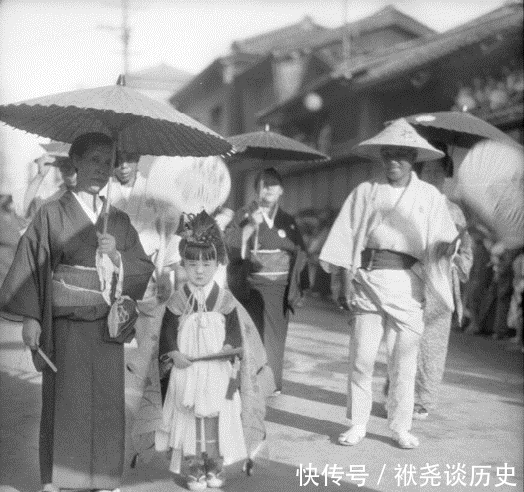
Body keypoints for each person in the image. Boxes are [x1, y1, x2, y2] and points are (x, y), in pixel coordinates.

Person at [0, 132, 155, 492]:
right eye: (93, 160)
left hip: (106, 326)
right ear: (76, 164)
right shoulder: (52, 214)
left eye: (107, 161)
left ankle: (102, 477)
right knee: (66, 403)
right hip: (65, 326)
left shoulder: (118, 221)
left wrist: (116, 255)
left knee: (105, 402)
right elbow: (32, 264)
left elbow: (142, 267)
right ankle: (60, 477)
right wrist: (30, 318)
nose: (101, 169)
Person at [319, 118, 458, 449]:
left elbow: (442, 244)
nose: (393, 162)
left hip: (408, 285)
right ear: (381, 157)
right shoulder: (366, 192)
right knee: (362, 358)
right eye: (388, 155)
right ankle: (357, 423)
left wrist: (448, 247)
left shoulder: (430, 197)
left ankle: (400, 425)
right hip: (368, 279)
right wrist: (347, 279)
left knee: (403, 364)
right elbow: (344, 238)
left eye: (401, 155)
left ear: (413, 158)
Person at [155, 211, 270, 490]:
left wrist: (230, 349)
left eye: (207, 264)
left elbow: (234, 329)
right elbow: (167, 330)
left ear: (217, 263)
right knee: (190, 415)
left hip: (218, 367)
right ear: (183, 264)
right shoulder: (178, 299)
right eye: (192, 264)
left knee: (218, 413)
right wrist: (173, 352)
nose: (199, 270)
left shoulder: (225, 299)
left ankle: (215, 466)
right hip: (187, 369)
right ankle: (194, 468)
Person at [224, 167, 308, 394]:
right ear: (256, 189)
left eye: (274, 184)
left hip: (280, 288)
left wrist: (299, 285)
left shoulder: (287, 221)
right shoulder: (244, 214)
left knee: (276, 338)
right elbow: (230, 245)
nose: (268, 188)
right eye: (264, 183)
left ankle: (272, 384)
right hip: (251, 286)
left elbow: (300, 253)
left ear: (281, 190)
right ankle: (251, 383)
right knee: (252, 335)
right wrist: (250, 226)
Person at [411, 144, 473, 419]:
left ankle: (423, 400)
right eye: (429, 170)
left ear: (446, 174)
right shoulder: (409, 203)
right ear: (420, 171)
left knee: (432, 347)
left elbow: (466, 250)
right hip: (410, 278)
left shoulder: (454, 210)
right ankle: (399, 394)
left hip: (440, 285)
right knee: (404, 342)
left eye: (440, 171)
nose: (434, 176)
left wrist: (457, 256)